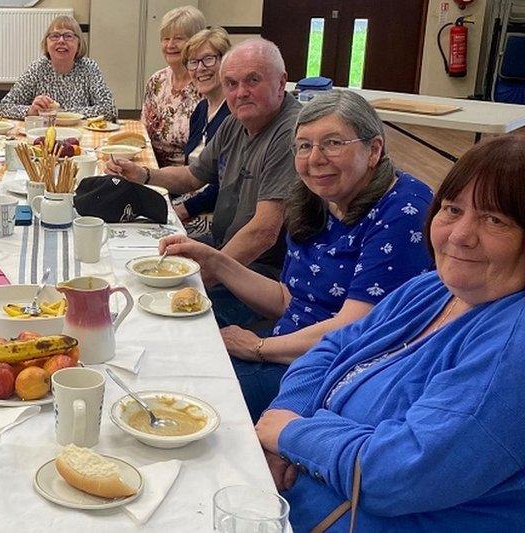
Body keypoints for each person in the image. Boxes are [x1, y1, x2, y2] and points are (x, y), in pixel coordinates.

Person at [257, 134, 525, 530]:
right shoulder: (434, 288)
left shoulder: (511, 346)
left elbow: (396, 474)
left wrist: (295, 437)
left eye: (495, 219)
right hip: (295, 492)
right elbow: (332, 347)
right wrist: (287, 413)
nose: (460, 235)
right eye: (453, 209)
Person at [161, 90, 433, 419]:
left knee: (190, 396)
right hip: (290, 346)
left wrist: (259, 348)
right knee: (173, 348)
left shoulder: (403, 210)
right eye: (304, 145)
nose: (315, 158)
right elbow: (287, 298)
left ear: (374, 149)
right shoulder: (316, 196)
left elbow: (354, 331)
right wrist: (215, 261)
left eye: (333, 143)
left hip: (335, 374)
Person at [106, 38, 301, 326]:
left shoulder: (290, 133)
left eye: (253, 81)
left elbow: (263, 233)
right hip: (223, 248)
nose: (241, 92)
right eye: (232, 84)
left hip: (262, 274)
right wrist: (144, 174)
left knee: (161, 315)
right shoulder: (236, 122)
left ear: (281, 82)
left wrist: (201, 278)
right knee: (133, 265)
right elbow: (192, 177)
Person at [0, 15, 118, 121]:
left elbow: (109, 109)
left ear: (79, 43)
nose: (61, 41)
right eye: (55, 36)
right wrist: (30, 111)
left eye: (68, 36)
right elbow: (4, 107)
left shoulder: (89, 68)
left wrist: (64, 114)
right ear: (46, 43)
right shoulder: (37, 69)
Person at [174, 26, 233, 225]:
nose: (200, 68)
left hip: (213, 212)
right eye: (193, 62)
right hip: (189, 200)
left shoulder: (234, 115)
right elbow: (189, 170)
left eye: (208, 59)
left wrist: (183, 210)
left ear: (226, 61)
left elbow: (226, 185)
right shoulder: (201, 109)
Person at [140, 6, 205, 167]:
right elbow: (143, 132)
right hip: (151, 167)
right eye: (165, 38)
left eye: (178, 38)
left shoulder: (204, 87)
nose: (170, 45)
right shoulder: (157, 81)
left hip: (186, 179)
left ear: (196, 42)